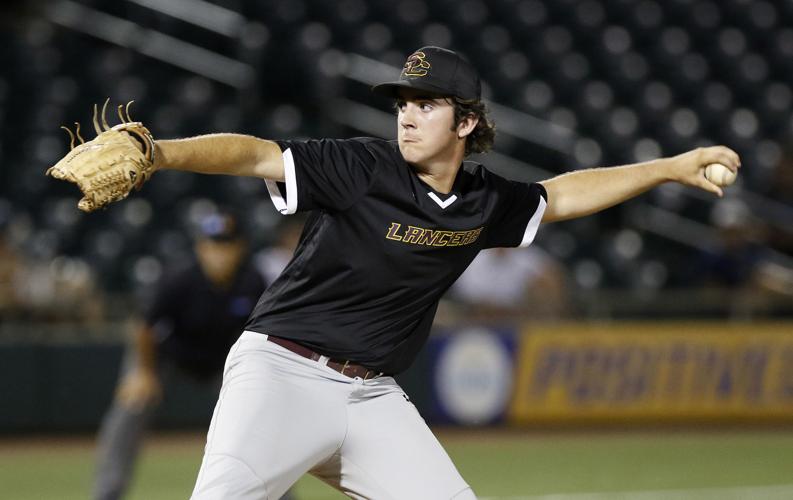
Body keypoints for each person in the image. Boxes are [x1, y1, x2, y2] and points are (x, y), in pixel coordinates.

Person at [82, 46, 739, 499]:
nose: (407, 112)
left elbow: (562, 194)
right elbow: (256, 154)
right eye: (404, 100)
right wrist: (160, 151)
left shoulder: (484, 202)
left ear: (468, 120)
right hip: (280, 372)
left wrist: (669, 165)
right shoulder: (363, 167)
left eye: (427, 102)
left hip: (371, 397)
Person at [93, 210, 268, 500]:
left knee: (261, 419)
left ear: (240, 248)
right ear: (200, 247)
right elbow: (144, 327)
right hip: (171, 358)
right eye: (212, 245)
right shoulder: (179, 278)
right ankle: (107, 494)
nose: (218, 253)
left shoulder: (253, 281)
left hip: (225, 365)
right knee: (131, 406)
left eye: (225, 244)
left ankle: (279, 494)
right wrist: (143, 372)